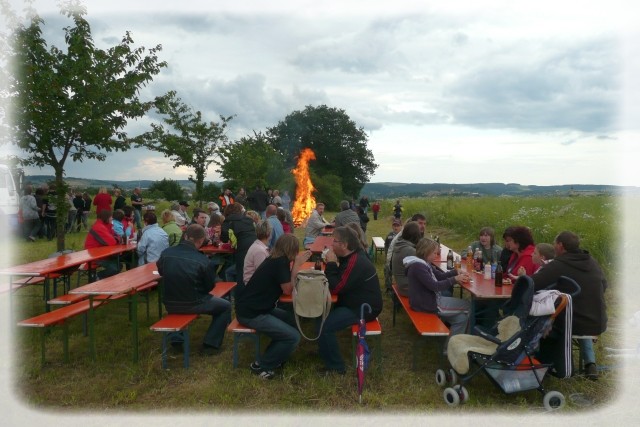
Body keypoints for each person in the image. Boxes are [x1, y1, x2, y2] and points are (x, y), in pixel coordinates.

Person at [531, 231, 607, 380]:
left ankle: (544, 363)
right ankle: (589, 363)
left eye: (555, 244)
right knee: (576, 311)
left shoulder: (559, 264)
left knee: (542, 316)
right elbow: (604, 285)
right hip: (598, 321)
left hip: (573, 323)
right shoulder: (591, 261)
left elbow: (534, 283)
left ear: (560, 245)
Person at [235, 234, 310, 379]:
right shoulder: (279, 263)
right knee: (293, 337)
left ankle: (275, 355)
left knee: (293, 321)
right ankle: (261, 365)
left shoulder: (275, 259)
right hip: (252, 313)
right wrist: (297, 265)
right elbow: (288, 289)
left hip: (260, 307)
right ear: (292, 249)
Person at [157, 224, 232, 355]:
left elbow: (161, 271)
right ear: (201, 240)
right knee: (225, 306)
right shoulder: (203, 260)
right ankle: (210, 344)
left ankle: (177, 339)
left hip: (169, 302)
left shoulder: (166, 253)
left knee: (180, 304)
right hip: (194, 302)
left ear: (185, 236)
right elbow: (209, 287)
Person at [319, 226, 383, 374]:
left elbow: (336, 288)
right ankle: (325, 349)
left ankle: (336, 367)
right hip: (354, 301)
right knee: (321, 315)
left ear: (344, 245)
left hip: (364, 308)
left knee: (324, 326)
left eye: (334, 241)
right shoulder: (352, 255)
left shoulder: (356, 262)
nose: (331, 244)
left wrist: (330, 264)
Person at [406, 238, 470, 338]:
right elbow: (434, 286)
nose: (436, 255)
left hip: (427, 300)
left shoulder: (424, 263)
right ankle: (468, 339)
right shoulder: (418, 266)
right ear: (426, 252)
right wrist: (455, 279)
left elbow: (439, 276)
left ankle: (449, 348)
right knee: (469, 306)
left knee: (461, 319)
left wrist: (455, 272)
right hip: (428, 304)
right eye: (435, 253)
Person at [221, 203, 257, 285]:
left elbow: (223, 239)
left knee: (240, 275)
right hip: (256, 248)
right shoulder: (249, 220)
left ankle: (235, 295)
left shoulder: (227, 222)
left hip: (243, 252)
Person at [84, 209, 120, 279]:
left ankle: (103, 280)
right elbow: (112, 242)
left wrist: (117, 238)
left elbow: (116, 236)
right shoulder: (99, 227)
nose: (112, 218)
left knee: (118, 264)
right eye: (110, 217)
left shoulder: (105, 225)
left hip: (102, 253)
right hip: (94, 256)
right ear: (106, 217)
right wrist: (118, 239)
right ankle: (96, 277)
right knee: (115, 268)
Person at [391, 221, 422, 296]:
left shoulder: (401, 244)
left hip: (401, 284)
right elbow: (423, 270)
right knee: (443, 290)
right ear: (416, 235)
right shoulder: (410, 251)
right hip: (407, 288)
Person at [243, 220, 271, 284]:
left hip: (254, 282)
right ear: (268, 233)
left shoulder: (258, 246)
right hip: (253, 285)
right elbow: (263, 274)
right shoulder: (259, 250)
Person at [383, 218, 403, 292]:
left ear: (401, 226)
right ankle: (388, 286)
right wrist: (387, 255)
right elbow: (386, 245)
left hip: (399, 258)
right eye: (394, 225)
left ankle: (397, 287)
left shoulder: (402, 236)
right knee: (386, 269)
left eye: (397, 225)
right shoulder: (389, 235)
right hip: (390, 256)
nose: (395, 227)